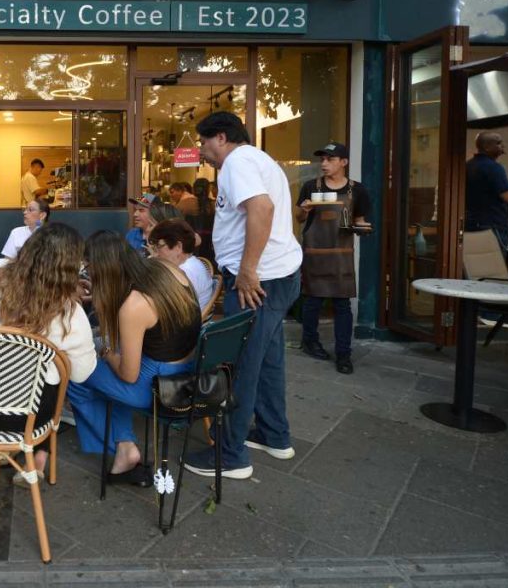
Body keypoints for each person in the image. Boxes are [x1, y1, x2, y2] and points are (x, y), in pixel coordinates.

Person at [185, 111, 302, 481]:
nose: (201, 150)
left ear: (221, 137)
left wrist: (248, 270)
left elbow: (261, 209)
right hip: (276, 277)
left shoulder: (237, 162)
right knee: (268, 360)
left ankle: (231, 454)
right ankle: (274, 435)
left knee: (241, 365)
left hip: (258, 282)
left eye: (204, 142)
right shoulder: (257, 159)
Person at [67, 231, 199, 486]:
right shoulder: (164, 269)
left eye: (88, 268)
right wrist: (100, 294)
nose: (87, 274)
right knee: (106, 373)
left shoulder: (133, 305)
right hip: (188, 369)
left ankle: (122, 447)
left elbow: (129, 375)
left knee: (76, 372)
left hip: (159, 387)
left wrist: (106, 353)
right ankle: (125, 447)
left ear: (102, 268)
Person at [0, 222, 96, 479]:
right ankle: (37, 456)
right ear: (70, 267)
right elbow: (82, 374)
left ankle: (12, 452)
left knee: (36, 372)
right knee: (51, 375)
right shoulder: (69, 312)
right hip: (27, 419)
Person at [294, 143, 371, 375]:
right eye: (323, 159)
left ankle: (344, 354)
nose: (324, 163)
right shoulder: (311, 187)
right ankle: (310, 341)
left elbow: (360, 221)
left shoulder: (357, 190)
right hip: (315, 254)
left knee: (342, 305)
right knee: (312, 301)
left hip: (341, 256)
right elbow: (298, 218)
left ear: (344, 162)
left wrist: (364, 229)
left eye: (330, 159)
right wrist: (304, 210)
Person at [465, 132, 508, 255]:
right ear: (487, 147)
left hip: (469, 224)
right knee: (493, 264)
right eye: (498, 143)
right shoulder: (494, 167)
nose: (503, 146)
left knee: (475, 263)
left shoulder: (467, 165)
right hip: (492, 226)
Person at [148, 218, 216, 311]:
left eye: (159, 246)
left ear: (178, 247)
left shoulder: (185, 272)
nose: (156, 254)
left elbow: (169, 310)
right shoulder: (191, 263)